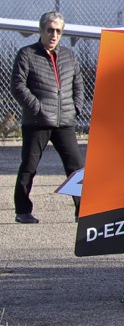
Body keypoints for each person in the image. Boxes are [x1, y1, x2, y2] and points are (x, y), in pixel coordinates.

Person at [11, 11, 85, 224]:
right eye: (50, 30)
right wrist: (37, 108)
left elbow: (78, 85)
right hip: (37, 122)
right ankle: (23, 210)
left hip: (64, 123)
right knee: (29, 167)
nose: (54, 35)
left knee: (76, 169)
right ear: (41, 31)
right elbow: (17, 86)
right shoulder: (27, 54)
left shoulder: (69, 56)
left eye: (58, 31)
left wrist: (75, 109)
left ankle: (82, 212)